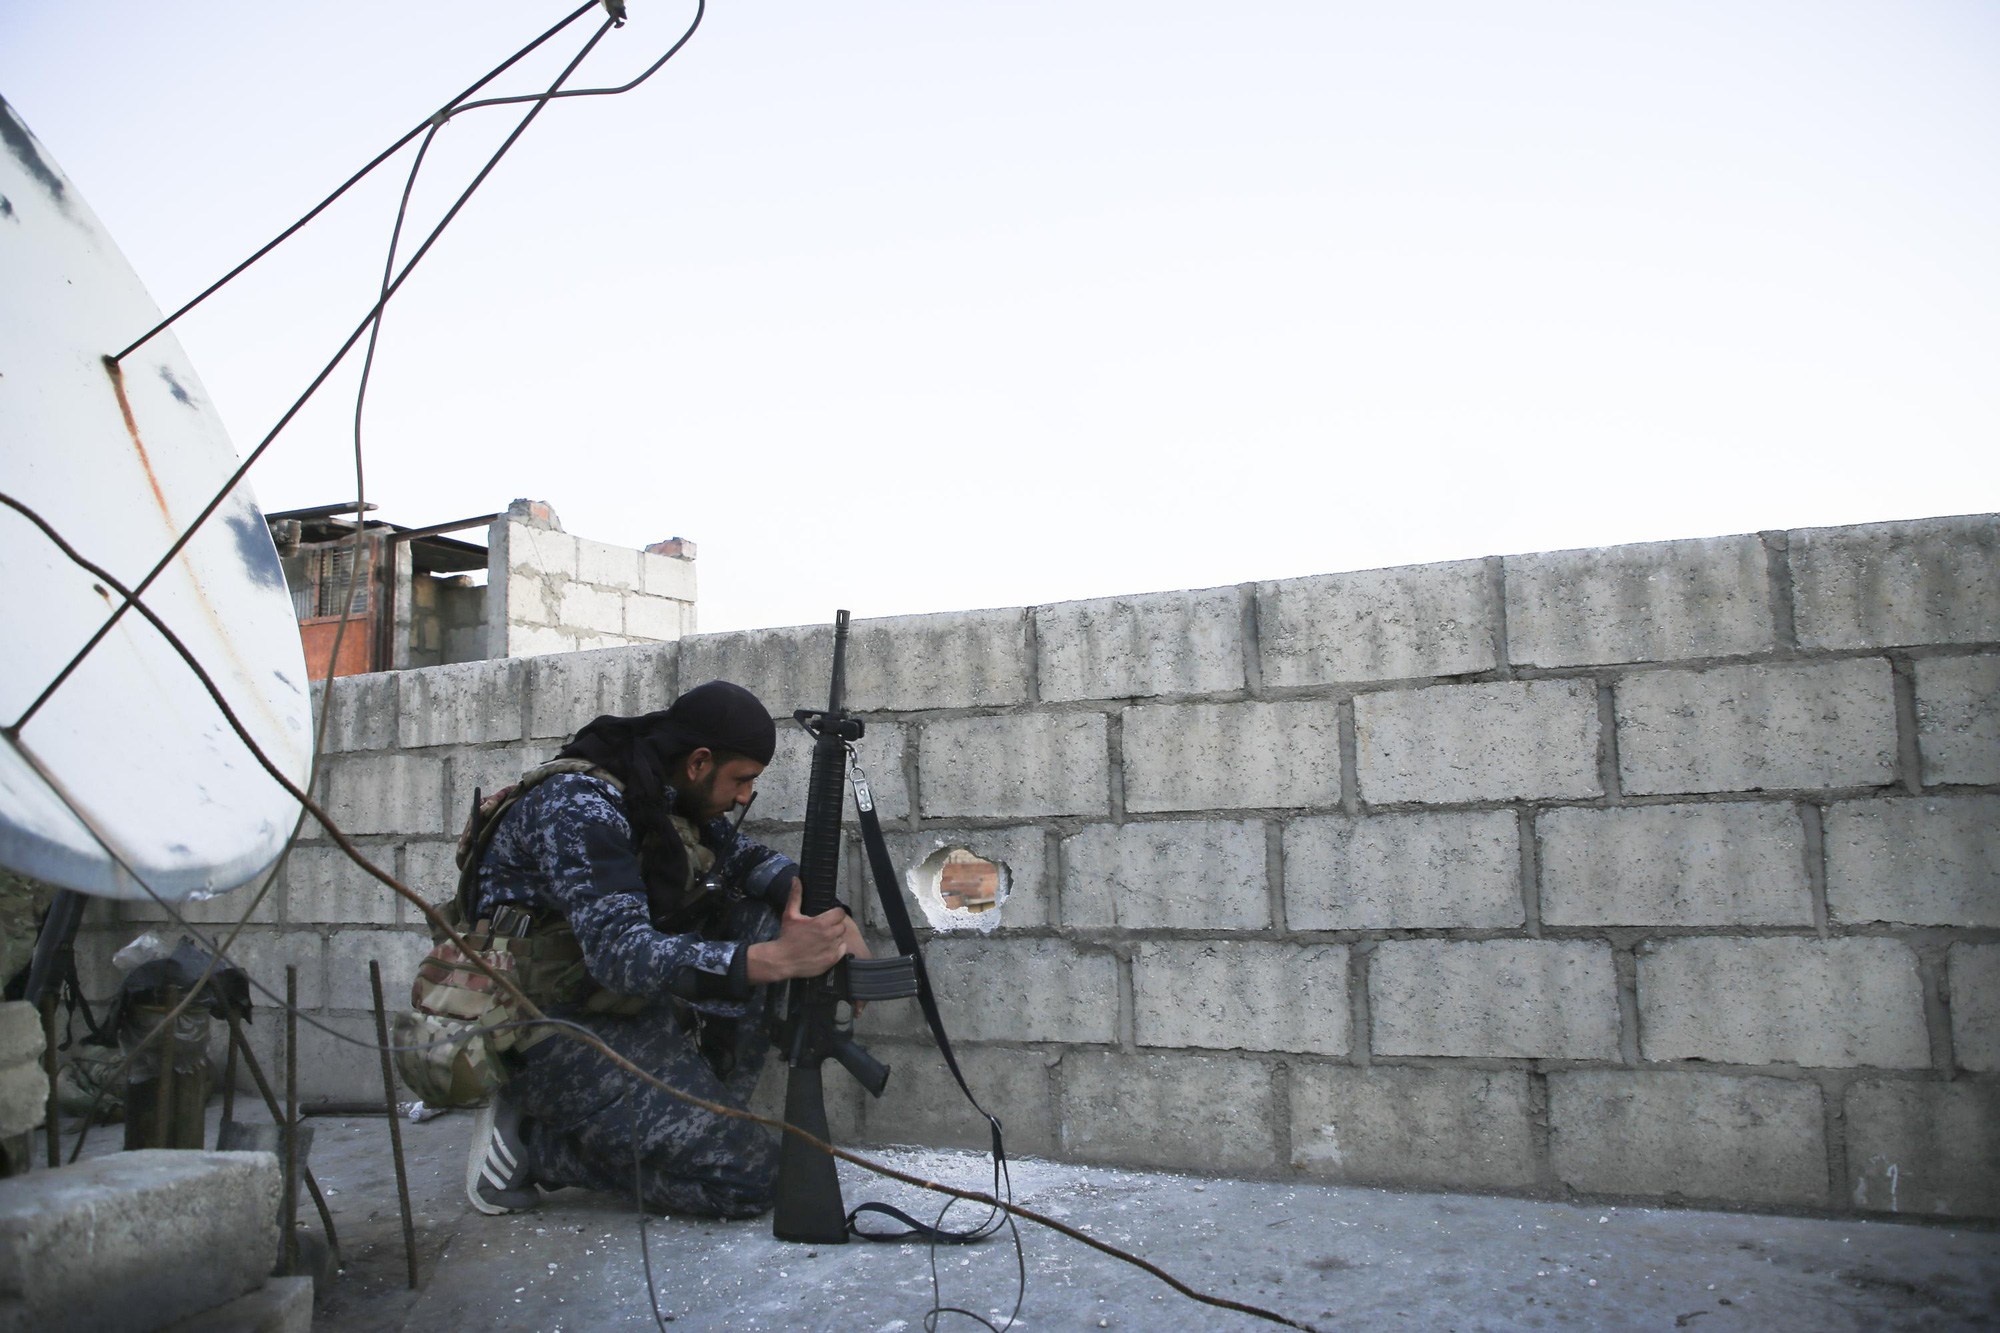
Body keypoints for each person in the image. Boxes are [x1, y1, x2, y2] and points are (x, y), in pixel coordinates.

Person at [460, 680, 866, 1218]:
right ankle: (535, 1146)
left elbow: (742, 858)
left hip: (611, 1004)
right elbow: (619, 954)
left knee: (762, 917)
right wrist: (778, 961)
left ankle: (704, 1123)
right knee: (750, 1181)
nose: (745, 796)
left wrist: (826, 914)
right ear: (699, 762)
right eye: (741, 779)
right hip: (550, 1027)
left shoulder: (656, 789)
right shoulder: (582, 807)